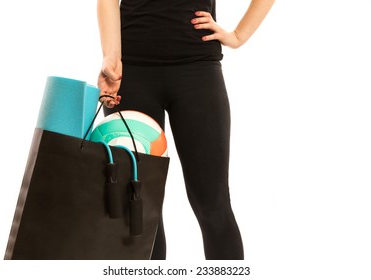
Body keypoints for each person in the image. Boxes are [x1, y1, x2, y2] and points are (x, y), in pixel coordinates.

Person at [96, 0, 275, 260]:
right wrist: (111, 58)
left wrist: (237, 36)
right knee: (139, 205)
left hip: (198, 73)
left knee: (212, 203)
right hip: (130, 75)